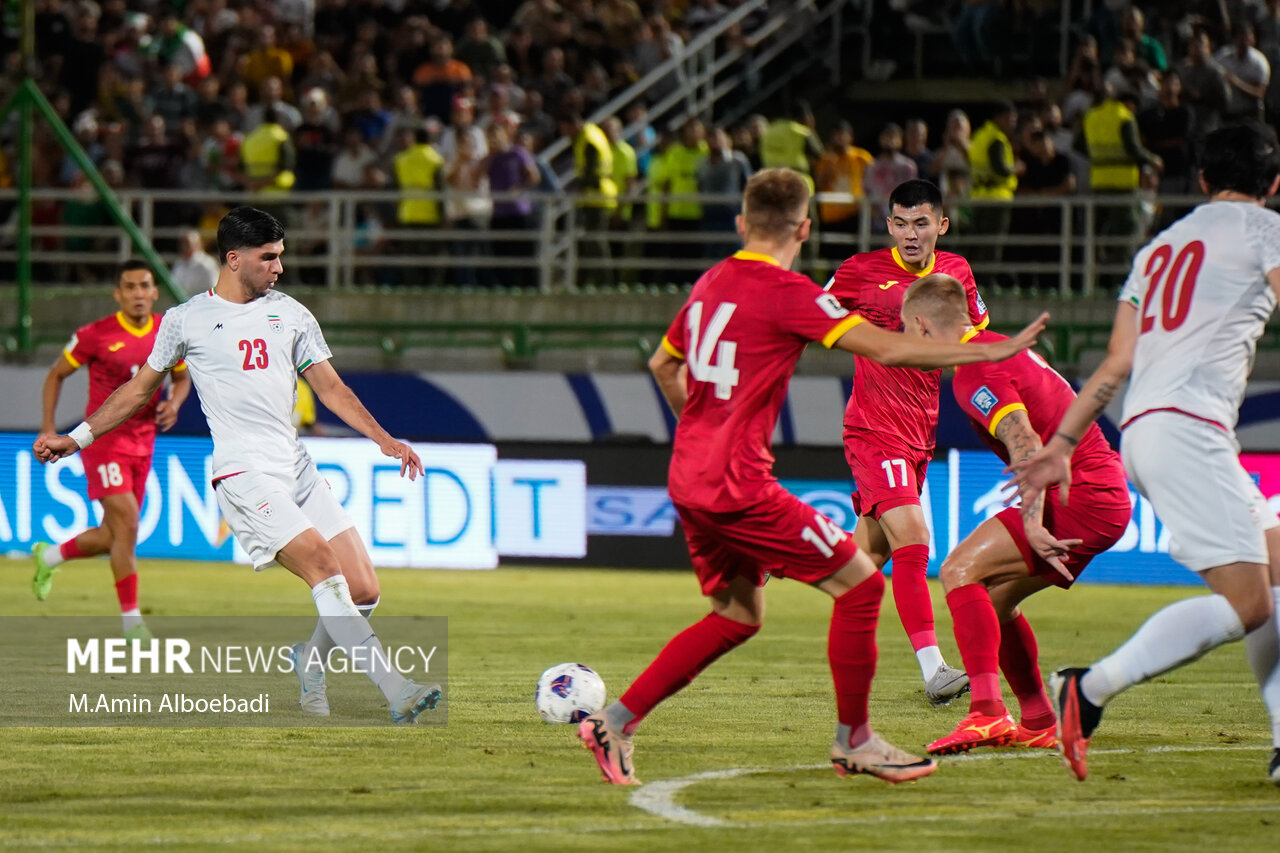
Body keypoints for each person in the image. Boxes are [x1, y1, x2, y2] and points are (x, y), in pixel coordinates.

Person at [576, 168, 1048, 786]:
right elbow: (888, 348)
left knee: (737, 617)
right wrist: (984, 351)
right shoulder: (791, 292)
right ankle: (857, 740)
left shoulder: (711, 282)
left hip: (689, 476)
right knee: (860, 586)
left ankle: (613, 724)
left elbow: (664, 363)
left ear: (742, 224)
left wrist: (699, 427)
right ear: (804, 227)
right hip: (739, 483)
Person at [33, 208, 441, 726]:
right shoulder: (184, 320)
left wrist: (385, 439)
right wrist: (77, 437)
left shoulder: (292, 313)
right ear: (233, 259)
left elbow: (331, 387)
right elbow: (139, 390)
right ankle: (396, 689)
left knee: (364, 590)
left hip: (295, 466)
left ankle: (308, 661)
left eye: (281, 256)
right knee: (321, 563)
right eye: (268, 257)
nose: (279, 268)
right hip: (243, 473)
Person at [1010, 123, 1280, 785]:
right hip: (1188, 428)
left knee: (1273, 573)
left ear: (1202, 181)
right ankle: (1090, 687)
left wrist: (1062, 444)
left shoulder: (1158, 250)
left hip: (1155, 426)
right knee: (1251, 603)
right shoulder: (1265, 231)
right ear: (1274, 185)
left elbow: (1116, 364)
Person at [894, 275, 1128, 755]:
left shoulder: (974, 373)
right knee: (993, 602)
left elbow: (1026, 442)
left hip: (1079, 494)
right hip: (1099, 490)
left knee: (959, 569)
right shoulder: (996, 348)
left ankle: (986, 714)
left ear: (921, 327)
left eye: (903, 330)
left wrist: (1032, 523)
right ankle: (1040, 719)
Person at [824, 179, 988, 705]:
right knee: (914, 544)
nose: (910, 234)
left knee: (860, 565)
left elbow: (975, 335)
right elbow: (809, 316)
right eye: (900, 223)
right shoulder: (859, 272)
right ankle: (934, 670)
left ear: (941, 224)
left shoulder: (957, 272)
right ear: (888, 224)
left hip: (921, 434)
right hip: (875, 429)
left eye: (921, 223)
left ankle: (771, 557)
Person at [31, 261, 192, 641]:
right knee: (130, 524)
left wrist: (175, 401)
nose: (138, 294)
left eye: (144, 287)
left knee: (114, 535)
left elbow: (182, 379)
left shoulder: (166, 333)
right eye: (130, 287)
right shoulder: (95, 335)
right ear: (118, 294)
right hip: (102, 441)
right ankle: (132, 622)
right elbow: (56, 374)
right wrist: (49, 427)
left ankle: (49, 556)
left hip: (144, 441)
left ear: (155, 293)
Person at [172, 229, 220, 297]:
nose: (184, 247)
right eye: (182, 244)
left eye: (187, 244)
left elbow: (215, 289)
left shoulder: (207, 264)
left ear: (198, 245)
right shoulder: (179, 264)